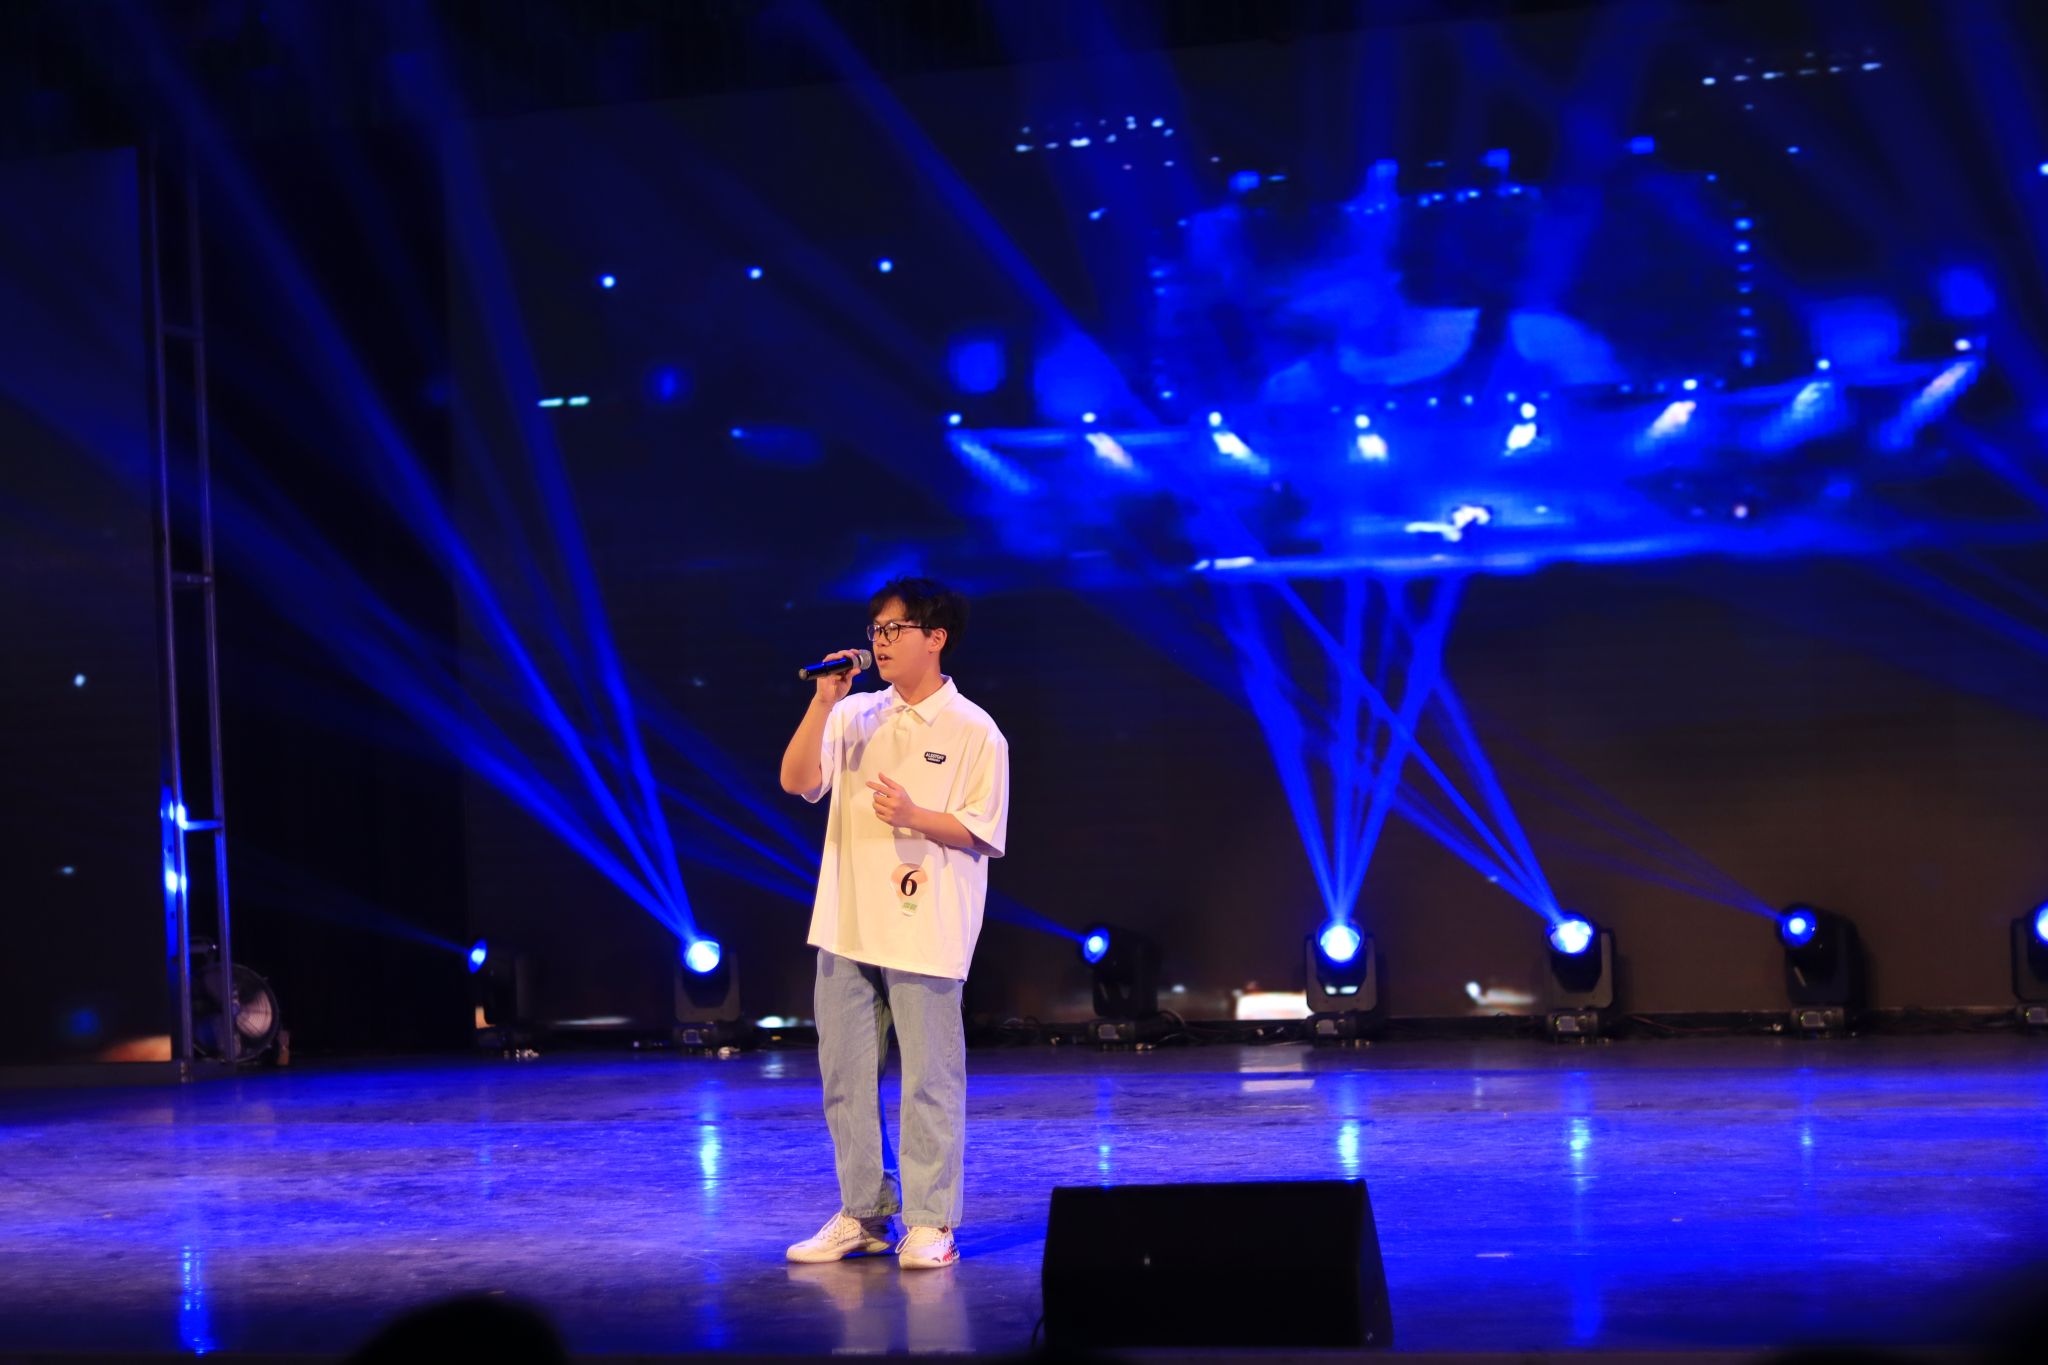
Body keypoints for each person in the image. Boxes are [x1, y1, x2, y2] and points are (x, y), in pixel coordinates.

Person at [777, 577, 1009, 1270]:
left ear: (935, 638)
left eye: (895, 629)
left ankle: (932, 1222)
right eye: (875, 629)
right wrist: (824, 701)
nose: (880, 641)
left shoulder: (974, 729)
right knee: (844, 1077)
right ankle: (864, 1211)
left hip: (925, 927)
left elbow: (983, 831)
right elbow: (796, 780)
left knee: (929, 1079)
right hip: (846, 922)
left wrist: (915, 816)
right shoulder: (854, 714)